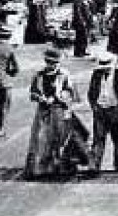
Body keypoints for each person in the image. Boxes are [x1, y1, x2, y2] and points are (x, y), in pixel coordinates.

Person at [26, 48, 85, 179]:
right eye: (48, 62)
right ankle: (42, 168)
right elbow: (32, 92)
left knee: (63, 138)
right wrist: (40, 98)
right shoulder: (38, 75)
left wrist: (59, 97)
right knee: (41, 139)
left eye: (54, 63)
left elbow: (72, 93)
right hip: (44, 111)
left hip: (60, 111)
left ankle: (63, 165)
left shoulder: (64, 75)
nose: (51, 65)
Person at [87, 51, 118, 173]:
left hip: (116, 109)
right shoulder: (96, 74)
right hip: (100, 109)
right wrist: (94, 105)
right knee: (98, 139)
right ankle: (94, 166)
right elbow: (91, 92)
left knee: (117, 139)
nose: (104, 70)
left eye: (107, 68)